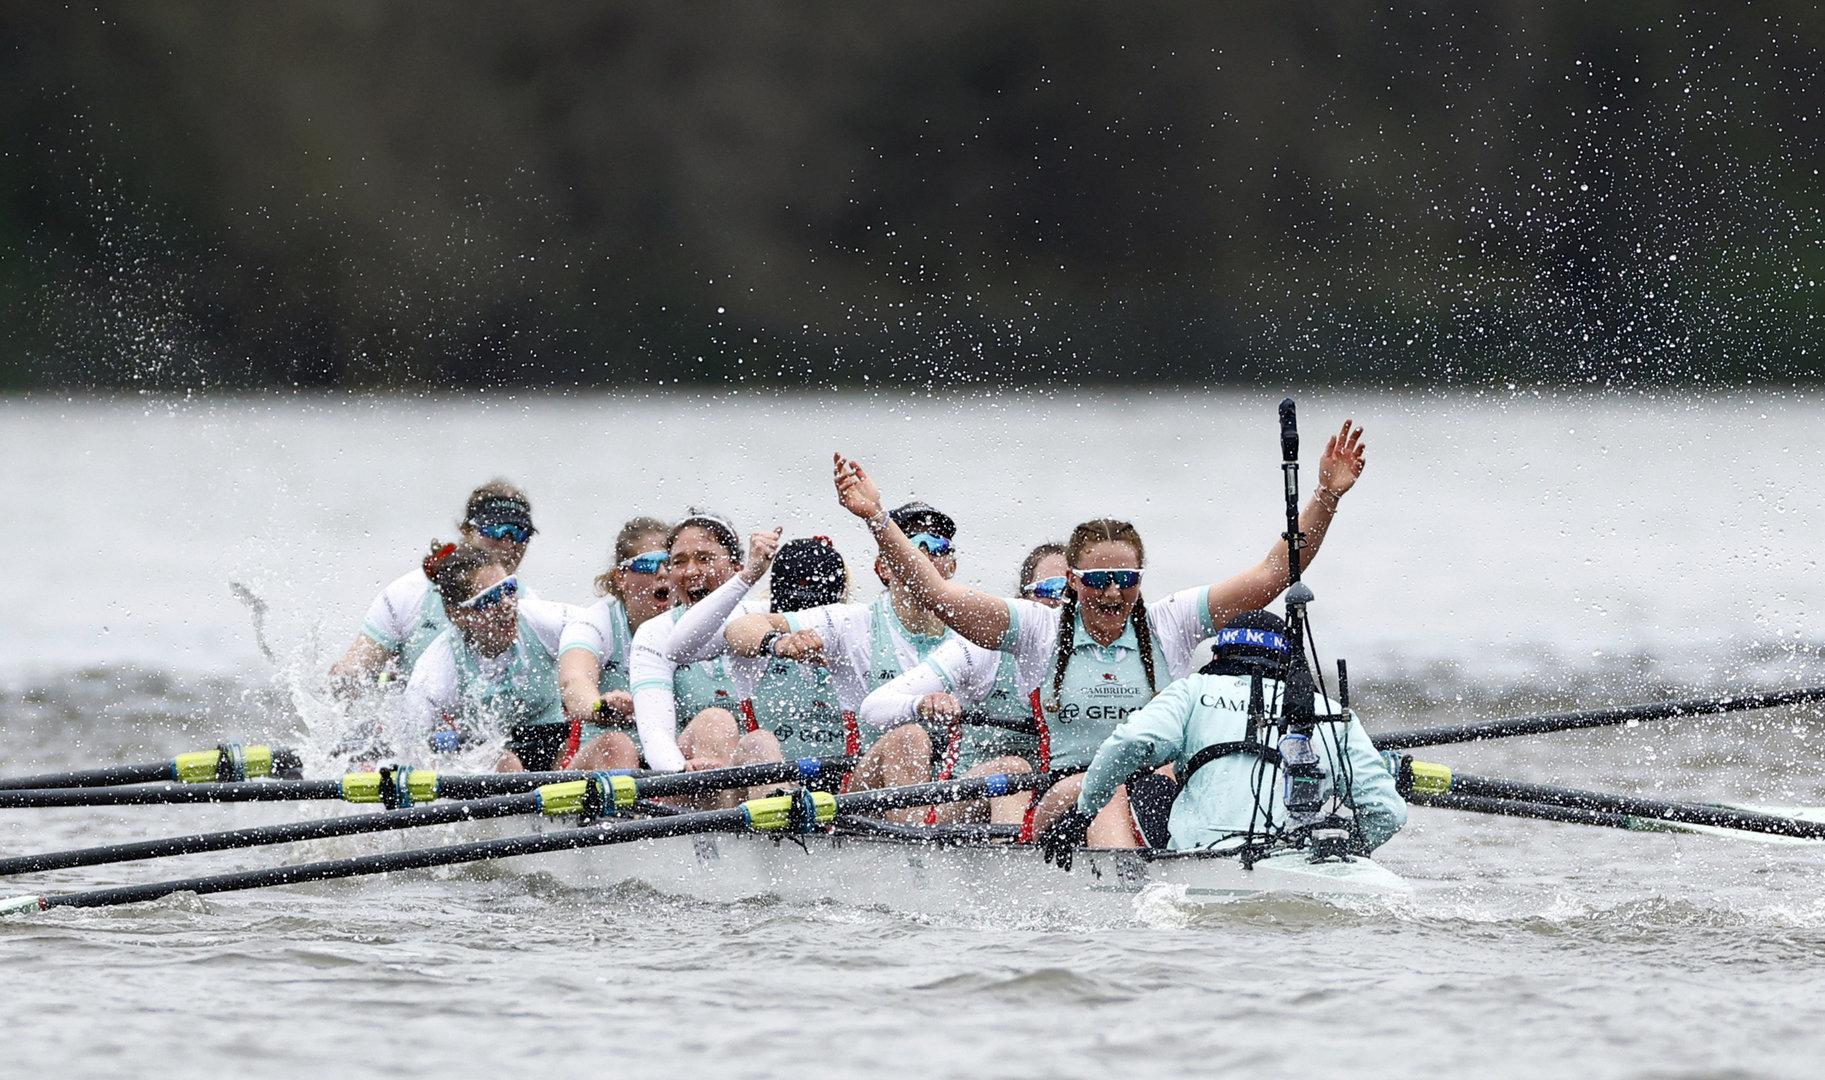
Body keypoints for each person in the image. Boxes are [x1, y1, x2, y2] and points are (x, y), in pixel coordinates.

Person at [832, 417, 1367, 847]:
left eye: (1125, 580)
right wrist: (877, 517)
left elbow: (1273, 575)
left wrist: (1326, 498)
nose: (1112, 594)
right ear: (1072, 580)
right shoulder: (1039, 628)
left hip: (1159, 791)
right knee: (1086, 786)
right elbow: (940, 596)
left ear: (1140, 579)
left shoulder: (1170, 621)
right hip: (1061, 799)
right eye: (1097, 581)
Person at [1038, 610, 1406, 869]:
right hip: (1299, 863)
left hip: (1198, 863)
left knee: (1146, 785)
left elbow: (1131, 743)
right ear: (1290, 662)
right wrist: (1352, 850)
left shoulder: (1193, 691)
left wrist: (1083, 812)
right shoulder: (1331, 712)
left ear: (1221, 655)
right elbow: (1387, 812)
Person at [853, 542, 1067, 824]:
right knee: (1014, 770)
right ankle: (1015, 864)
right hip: (958, 799)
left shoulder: (1097, 665)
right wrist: (921, 705)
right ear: (1022, 599)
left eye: (1071, 592)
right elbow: (873, 707)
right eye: (1050, 590)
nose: (1061, 604)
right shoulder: (982, 650)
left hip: (1046, 801)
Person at [331, 480, 541, 694]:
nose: (509, 544)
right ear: (467, 531)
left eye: (521, 532)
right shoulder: (409, 593)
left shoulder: (531, 606)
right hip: (414, 714)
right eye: (496, 529)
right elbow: (352, 671)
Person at [627, 512, 781, 801]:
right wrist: (680, 769)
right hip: (685, 786)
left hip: (749, 776)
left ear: (736, 567)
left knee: (761, 741)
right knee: (715, 721)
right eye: (679, 561)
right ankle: (725, 830)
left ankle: (772, 830)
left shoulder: (760, 621)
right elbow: (655, 733)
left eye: (704, 558)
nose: (690, 571)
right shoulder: (654, 633)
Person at [396, 542, 581, 772]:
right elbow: (410, 751)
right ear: (459, 614)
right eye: (490, 598)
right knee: (506, 764)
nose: (507, 604)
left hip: (554, 740)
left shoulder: (542, 620)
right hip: (484, 758)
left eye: (509, 589)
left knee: (597, 749)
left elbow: (599, 634)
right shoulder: (436, 668)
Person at [559, 516, 672, 770]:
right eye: (649, 564)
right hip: (601, 760)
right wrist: (600, 707)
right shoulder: (596, 622)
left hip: (669, 762)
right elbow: (574, 682)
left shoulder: (692, 621)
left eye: (670, 562)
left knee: (715, 722)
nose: (663, 573)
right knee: (618, 745)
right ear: (621, 576)